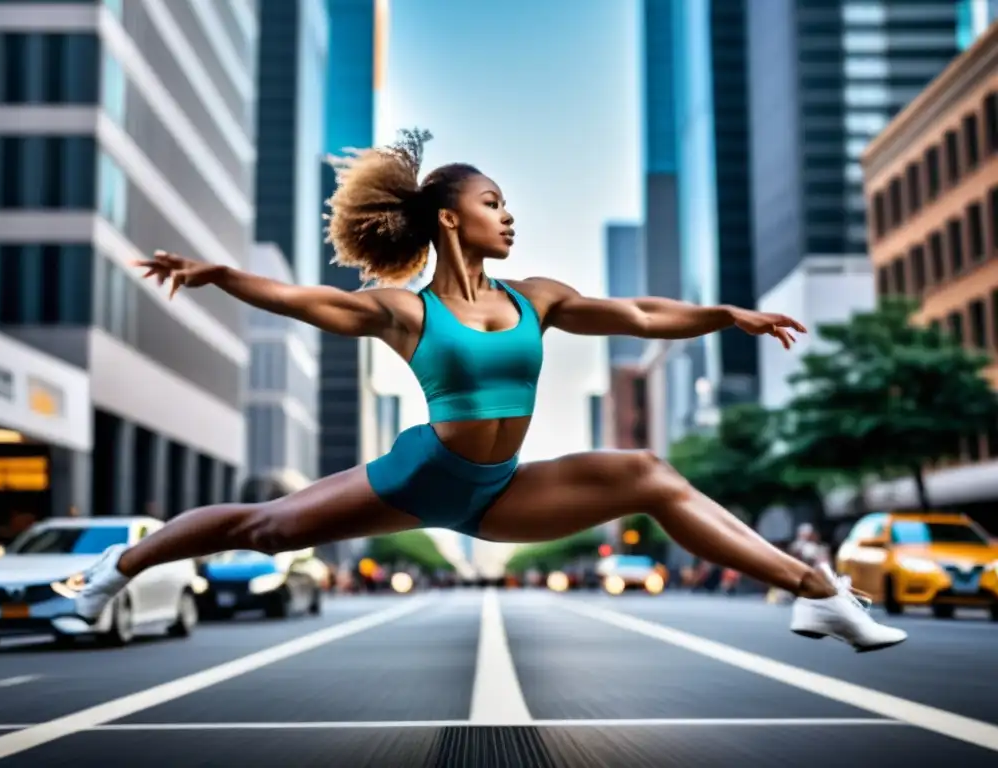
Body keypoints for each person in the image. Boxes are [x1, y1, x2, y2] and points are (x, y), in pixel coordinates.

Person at [76, 129, 905, 653]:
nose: (509, 218)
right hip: (420, 473)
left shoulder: (536, 299)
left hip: (497, 494)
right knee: (266, 528)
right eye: (492, 204)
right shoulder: (409, 310)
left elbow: (639, 314)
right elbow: (312, 302)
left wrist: (725, 316)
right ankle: (120, 564)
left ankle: (820, 594)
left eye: (508, 206)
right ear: (449, 218)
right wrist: (221, 275)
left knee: (651, 473)